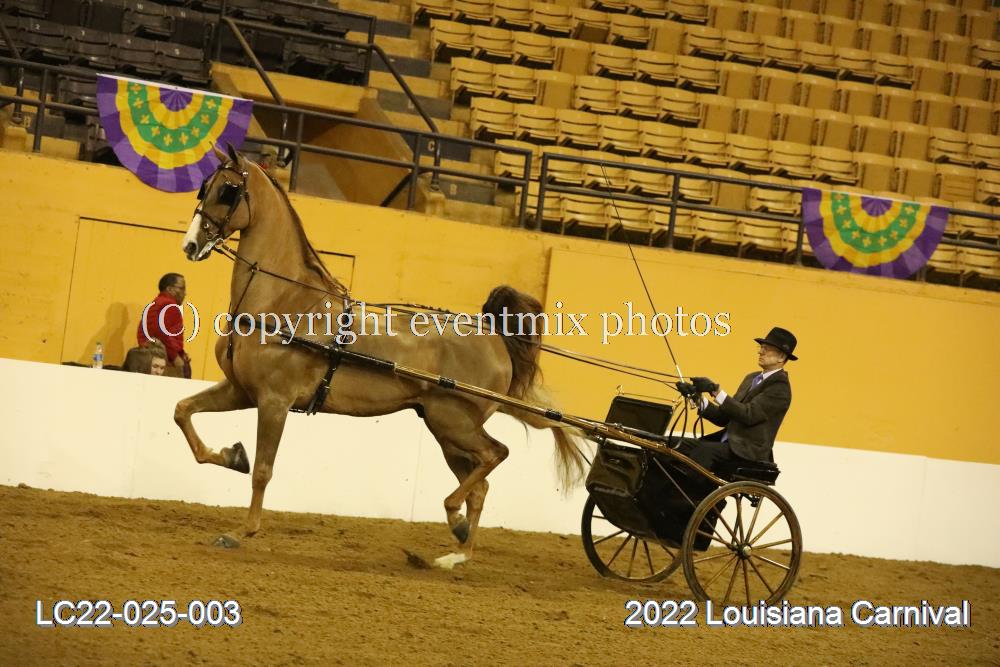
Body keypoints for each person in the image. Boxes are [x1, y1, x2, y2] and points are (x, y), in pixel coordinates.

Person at [677, 327, 797, 471]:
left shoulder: (780, 387)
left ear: (781, 357)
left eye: (766, 349)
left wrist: (715, 391)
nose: (760, 352)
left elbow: (748, 415)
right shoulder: (751, 378)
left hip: (748, 451)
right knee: (673, 444)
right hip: (726, 445)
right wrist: (697, 398)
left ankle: (688, 486)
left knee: (703, 452)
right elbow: (724, 417)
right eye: (761, 347)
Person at [137, 273, 191, 378]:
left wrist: (181, 353)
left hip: (152, 358)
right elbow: (160, 333)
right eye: (182, 288)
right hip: (165, 361)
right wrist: (175, 357)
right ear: (169, 289)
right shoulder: (168, 305)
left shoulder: (156, 303)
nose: (185, 293)